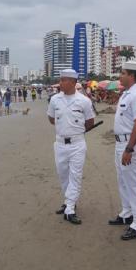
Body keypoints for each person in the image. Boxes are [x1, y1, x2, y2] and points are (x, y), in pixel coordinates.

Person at [108, 61, 136, 240]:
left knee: (134, 184)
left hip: (130, 145)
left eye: (123, 73)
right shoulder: (127, 94)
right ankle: (127, 213)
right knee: (123, 181)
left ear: (132, 76)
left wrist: (129, 148)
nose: (120, 76)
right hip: (121, 144)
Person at [47, 69, 95, 225]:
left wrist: (74, 132)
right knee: (63, 175)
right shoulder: (54, 99)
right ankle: (69, 201)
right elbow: (51, 118)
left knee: (75, 175)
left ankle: (70, 209)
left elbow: (90, 122)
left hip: (77, 144)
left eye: (64, 80)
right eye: (60, 80)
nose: (60, 83)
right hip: (60, 143)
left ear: (74, 82)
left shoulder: (84, 101)